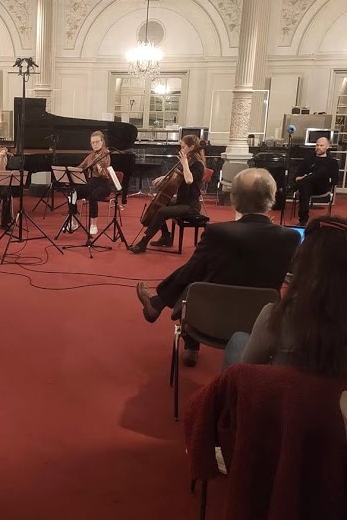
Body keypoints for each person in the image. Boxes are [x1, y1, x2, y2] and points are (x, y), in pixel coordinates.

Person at [135, 168, 301, 366]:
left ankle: (182, 335)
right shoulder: (290, 237)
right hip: (260, 323)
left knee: (196, 276)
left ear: (234, 199)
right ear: (272, 198)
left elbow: (190, 272)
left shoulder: (218, 232)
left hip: (209, 320)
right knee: (203, 272)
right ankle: (161, 310)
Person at [223, 215, 347, 374]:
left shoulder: (276, 317)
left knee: (238, 340)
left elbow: (246, 369)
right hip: (336, 398)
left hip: (280, 397)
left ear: (303, 262)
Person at [129, 134, 206, 254]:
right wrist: (164, 177)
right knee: (160, 205)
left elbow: (189, 180)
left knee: (161, 212)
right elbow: (178, 175)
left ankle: (143, 242)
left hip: (191, 205)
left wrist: (185, 163)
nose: (181, 150)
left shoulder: (198, 165)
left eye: (183, 147)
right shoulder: (189, 162)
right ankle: (166, 236)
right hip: (181, 202)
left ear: (191, 148)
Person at [66, 130, 112, 236]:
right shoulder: (91, 156)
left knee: (93, 196)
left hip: (103, 184)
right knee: (72, 193)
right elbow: (80, 167)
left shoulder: (106, 154)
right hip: (91, 184)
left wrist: (100, 169)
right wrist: (69, 170)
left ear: (102, 142)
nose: (95, 144)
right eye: (93, 142)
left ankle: (93, 225)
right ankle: (74, 222)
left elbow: (103, 173)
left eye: (97, 142)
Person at [292, 136, 339, 227]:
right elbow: (296, 176)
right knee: (306, 185)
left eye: (321, 145)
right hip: (307, 187)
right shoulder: (308, 159)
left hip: (322, 186)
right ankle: (303, 220)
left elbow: (335, 180)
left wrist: (327, 178)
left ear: (327, 147)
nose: (318, 147)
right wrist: (303, 178)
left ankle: (295, 186)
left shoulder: (332, 162)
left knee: (322, 172)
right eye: (317, 145)